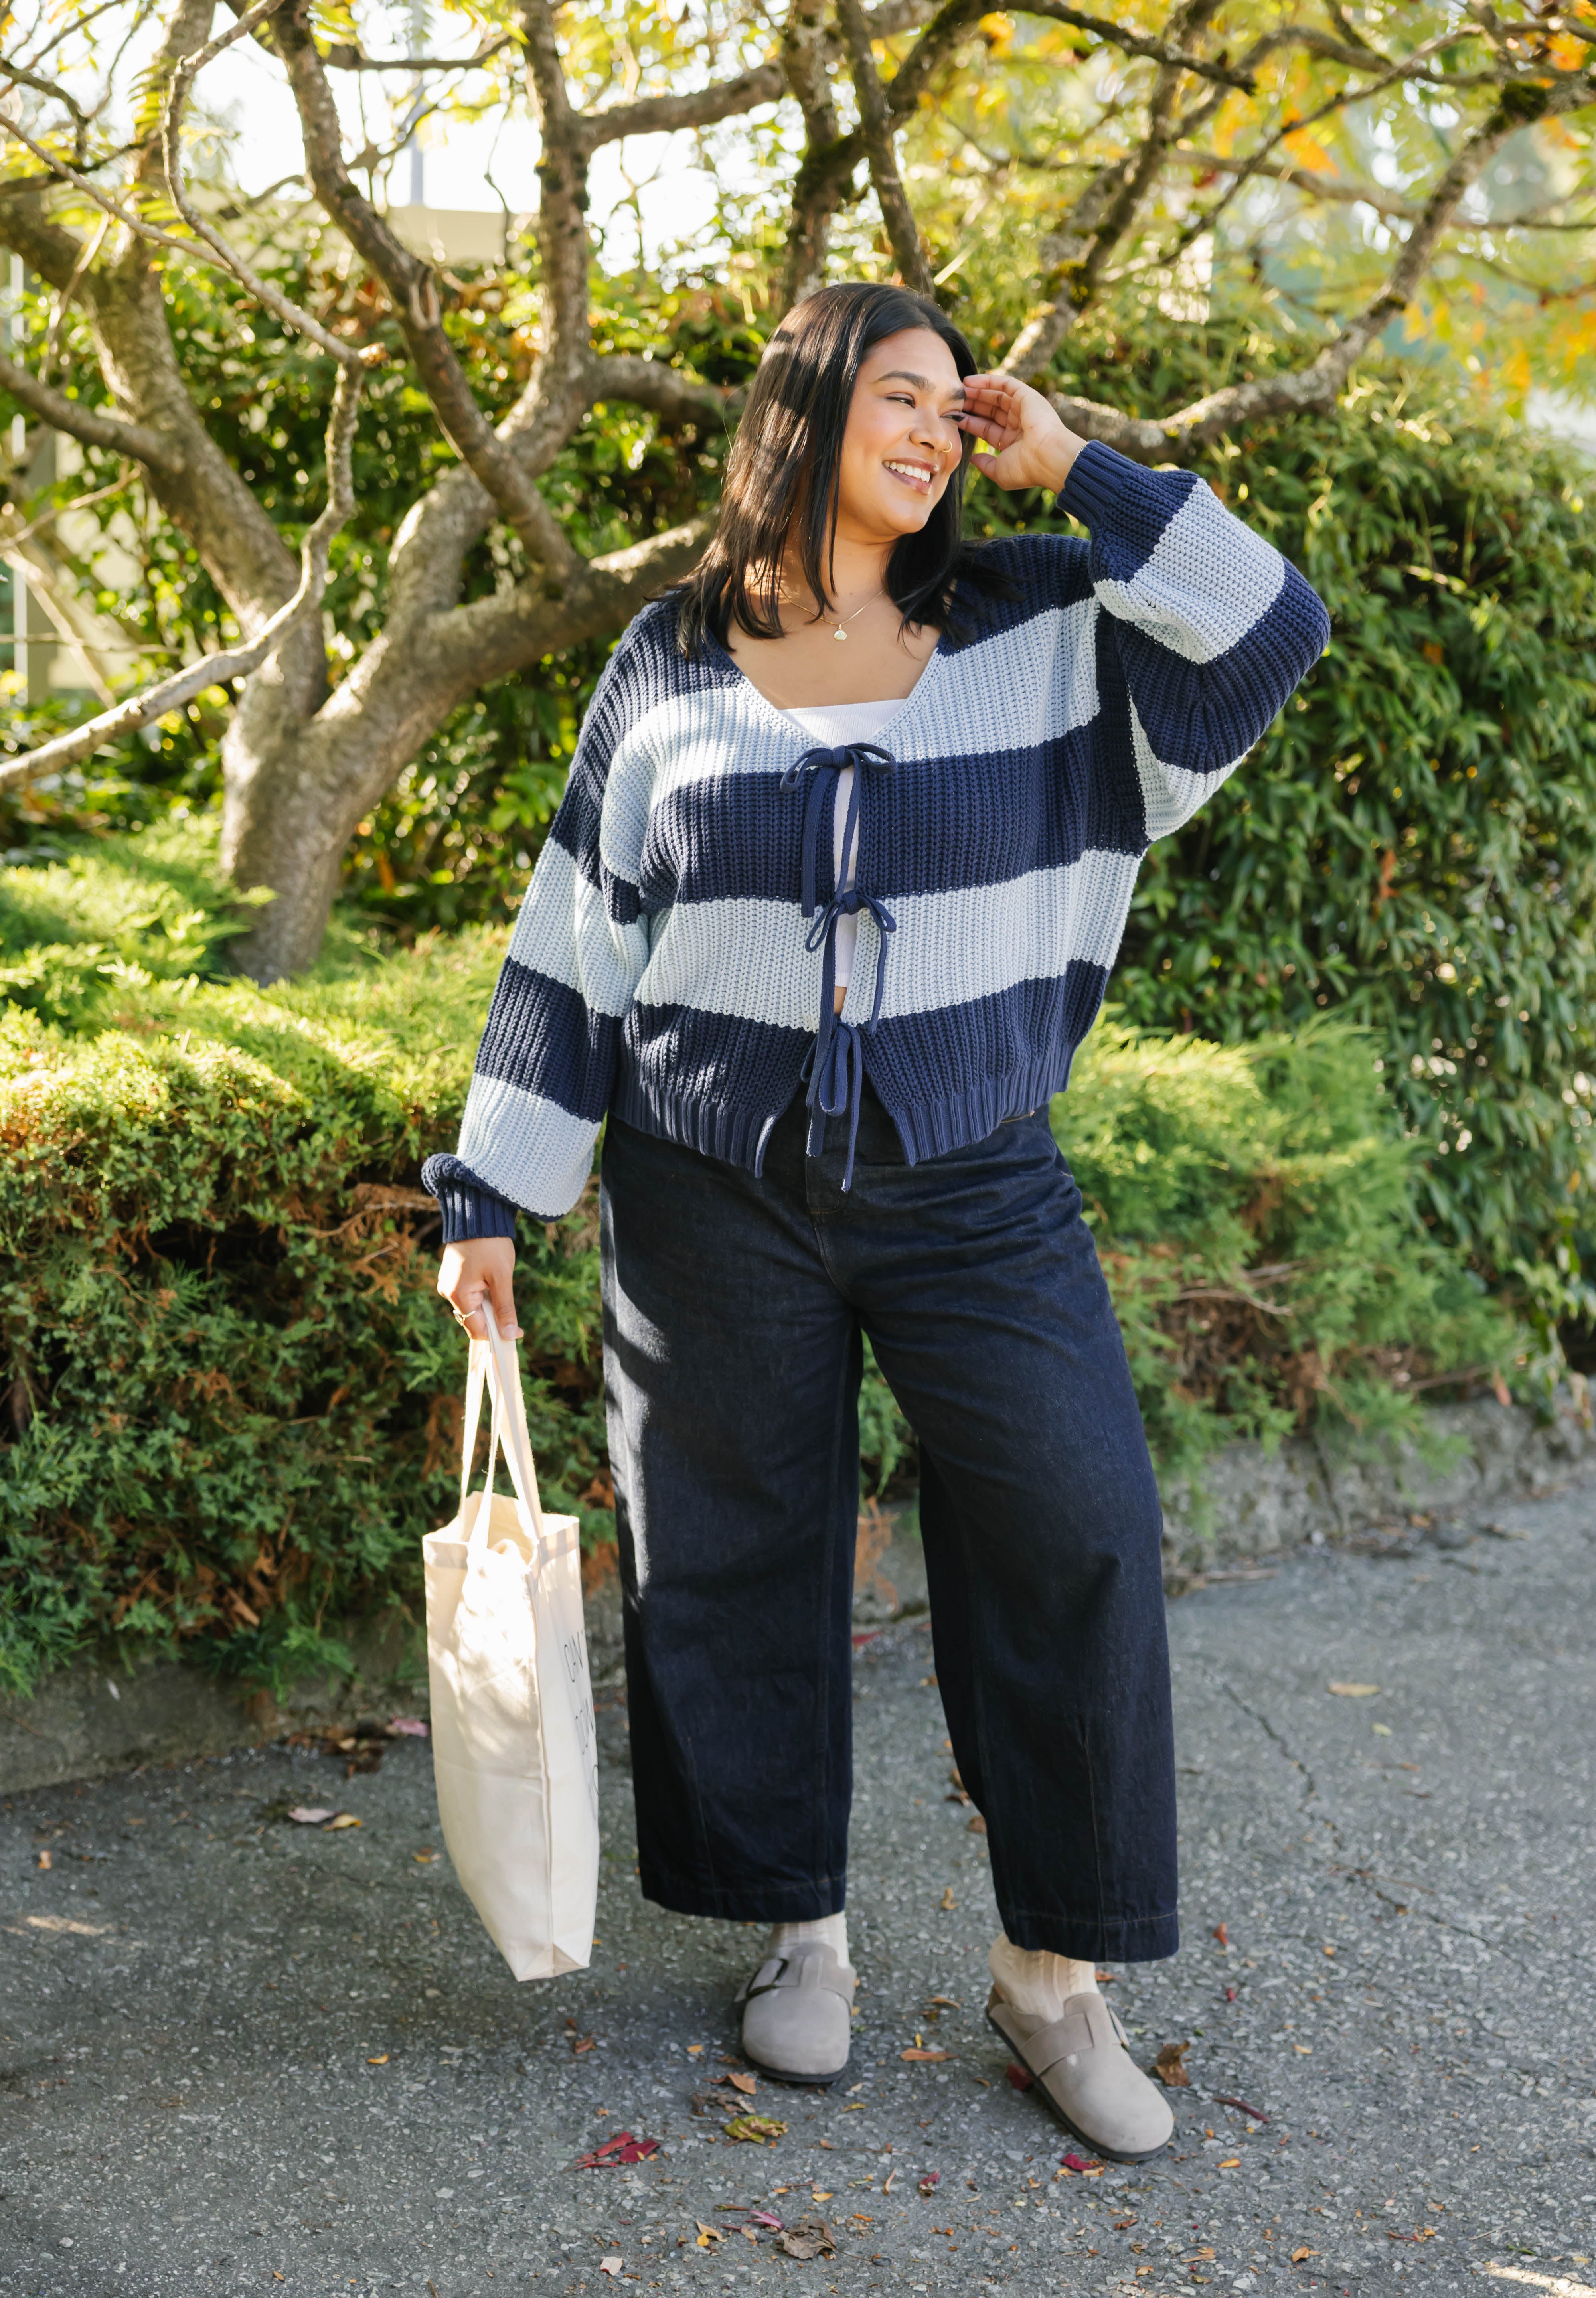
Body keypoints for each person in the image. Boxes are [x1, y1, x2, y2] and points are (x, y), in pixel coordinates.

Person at [425, 281, 1329, 2162]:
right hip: (704, 1184)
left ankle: (1051, 1978)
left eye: (954, 406)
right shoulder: (672, 658)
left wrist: (1067, 461)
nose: (933, 428)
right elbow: (576, 935)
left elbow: (1269, 626)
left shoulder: (1047, 628)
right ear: (807, 412)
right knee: (731, 1556)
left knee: (1075, 1530)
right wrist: (496, 1186)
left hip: (973, 1176)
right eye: (897, 396)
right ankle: (801, 1936)